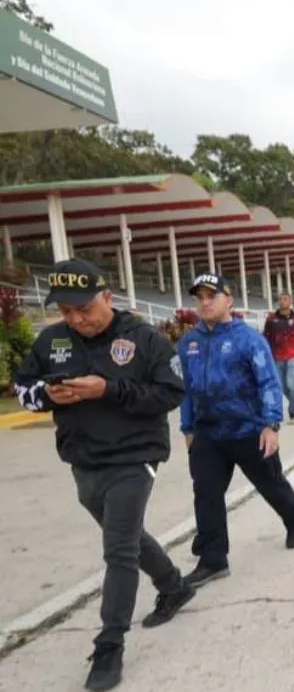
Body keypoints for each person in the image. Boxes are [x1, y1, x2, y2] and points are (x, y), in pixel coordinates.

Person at [13, 259, 196, 691]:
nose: (76, 319)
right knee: (127, 536)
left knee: (117, 548)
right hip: (83, 458)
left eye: (84, 308)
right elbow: (23, 387)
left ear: (107, 298)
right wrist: (48, 394)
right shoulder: (51, 339)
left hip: (134, 457)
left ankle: (110, 645)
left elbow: (171, 392)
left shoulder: (144, 339)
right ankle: (173, 584)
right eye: (66, 311)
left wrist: (107, 388)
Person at [178, 272, 294, 588]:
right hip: (209, 432)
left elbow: (268, 382)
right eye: (200, 298)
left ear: (229, 300)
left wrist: (271, 424)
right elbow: (188, 388)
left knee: (271, 484)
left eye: (212, 296)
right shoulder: (189, 343)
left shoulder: (248, 339)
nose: (206, 303)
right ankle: (213, 559)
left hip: (249, 430)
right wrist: (188, 427)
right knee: (206, 493)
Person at [262, 291, 294, 425]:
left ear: (290, 302)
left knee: (291, 383)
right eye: (280, 299)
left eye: (286, 299)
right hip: (277, 356)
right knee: (281, 386)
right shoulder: (271, 319)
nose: (283, 301)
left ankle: (293, 411)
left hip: (293, 355)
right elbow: (265, 338)